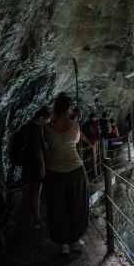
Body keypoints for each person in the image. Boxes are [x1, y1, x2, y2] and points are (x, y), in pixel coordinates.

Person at [44, 93, 89, 255]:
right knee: (77, 205)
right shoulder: (75, 125)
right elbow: (76, 141)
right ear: (68, 108)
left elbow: (49, 146)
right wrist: (75, 119)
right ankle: (75, 240)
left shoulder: (48, 128)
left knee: (58, 207)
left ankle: (63, 243)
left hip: (54, 171)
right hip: (75, 170)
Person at [21, 106, 50, 230]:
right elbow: (38, 150)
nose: (47, 122)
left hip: (27, 165)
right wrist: (43, 166)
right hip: (35, 166)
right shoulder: (35, 129)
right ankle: (36, 219)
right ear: (41, 118)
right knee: (36, 192)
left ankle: (29, 218)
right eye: (46, 120)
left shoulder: (28, 126)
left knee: (29, 192)